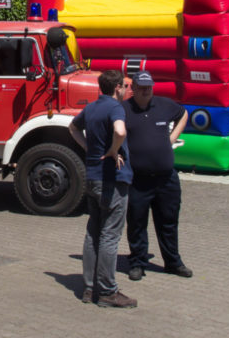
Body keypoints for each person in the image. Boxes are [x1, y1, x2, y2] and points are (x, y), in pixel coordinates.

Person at [68, 70, 137, 308]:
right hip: (112, 180)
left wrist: (89, 148)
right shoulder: (116, 108)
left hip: (93, 178)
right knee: (110, 235)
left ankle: (89, 288)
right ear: (117, 87)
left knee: (93, 233)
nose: (128, 89)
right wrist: (113, 150)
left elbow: (72, 128)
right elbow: (120, 131)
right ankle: (108, 291)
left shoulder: (92, 107)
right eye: (126, 86)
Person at [122, 70, 191, 281]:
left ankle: (173, 262)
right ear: (132, 88)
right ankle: (137, 263)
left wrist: (171, 138)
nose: (145, 91)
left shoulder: (165, 105)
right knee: (137, 223)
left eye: (149, 87)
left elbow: (183, 114)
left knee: (168, 222)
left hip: (166, 179)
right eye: (141, 87)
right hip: (138, 180)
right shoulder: (124, 109)